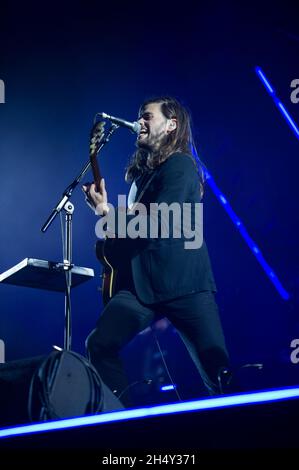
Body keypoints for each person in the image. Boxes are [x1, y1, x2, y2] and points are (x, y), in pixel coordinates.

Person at [83, 96, 232, 406]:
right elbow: (135, 232)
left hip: (184, 285)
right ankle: (120, 418)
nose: (141, 121)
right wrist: (106, 217)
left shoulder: (181, 164)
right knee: (99, 344)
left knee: (218, 373)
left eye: (147, 116)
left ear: (171, 125)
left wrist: (109, 213)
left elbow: (165, 221)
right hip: (143, 288)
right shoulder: (140, 178)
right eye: (139, 115)